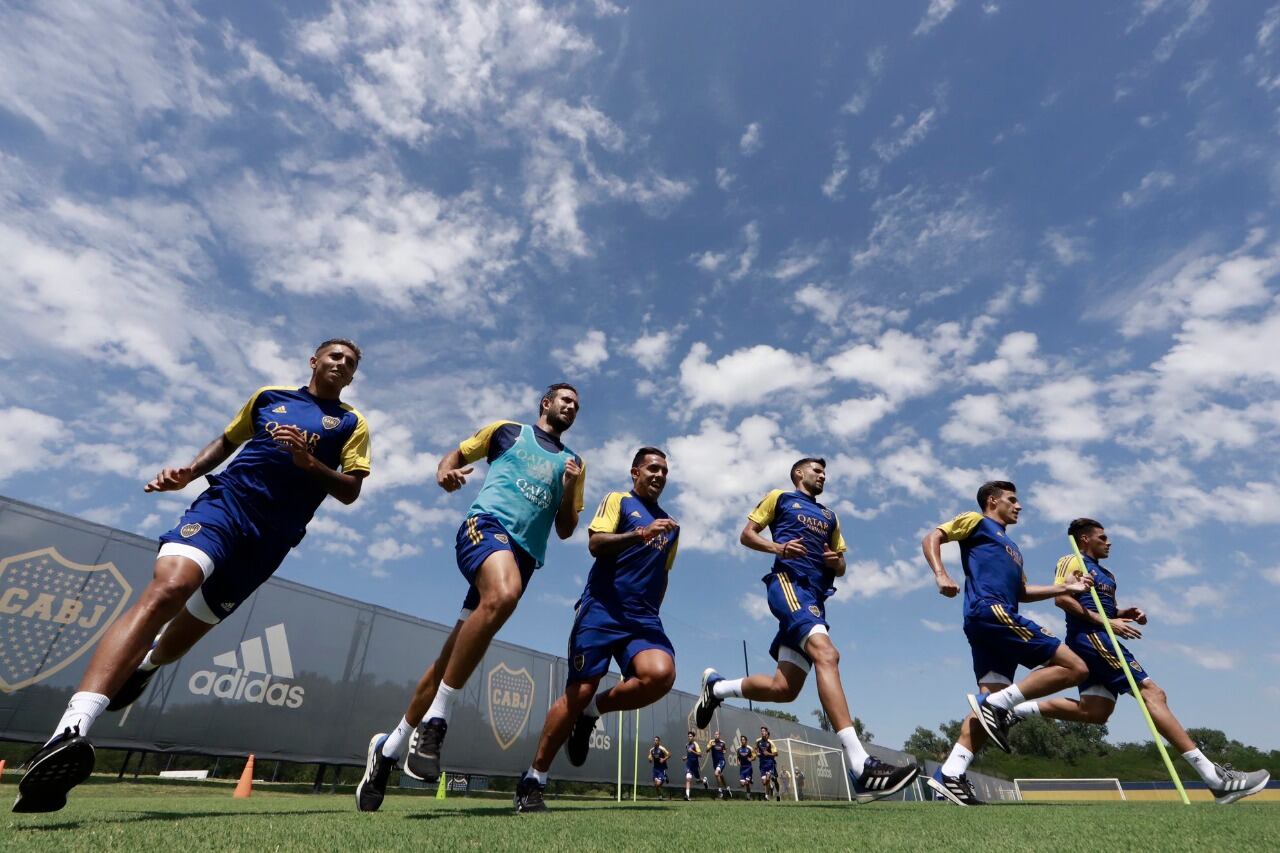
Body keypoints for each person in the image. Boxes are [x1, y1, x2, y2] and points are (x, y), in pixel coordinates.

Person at [13, 340, 370, 814]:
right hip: (225, 506)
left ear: (351, 377)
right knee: (171, 587)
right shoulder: (268, 398)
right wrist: (190, 472)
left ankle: (146, 666)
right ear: (314, 361)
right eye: (334, 356)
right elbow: (227, 441)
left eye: (350, 362)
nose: (341, 363)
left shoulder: (352, 424)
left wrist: (311, 464)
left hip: (269, 539)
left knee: (183, 635)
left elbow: (349, 491)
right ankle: (68, 732)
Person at [357, 384, 585, 812]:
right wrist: (445, 472)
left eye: (577, 404)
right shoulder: (506, 431)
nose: (571, 407)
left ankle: (388, 750)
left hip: (523, 555)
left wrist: (571, 488)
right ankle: (437, 719)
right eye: (565, 400)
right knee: (505, 594)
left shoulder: (574, 463)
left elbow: (568, 528)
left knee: (451, 657)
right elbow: (454, 457)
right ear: (546, 403)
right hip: (485, 528)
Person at [693, 457, 918, 803]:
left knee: (784, 689)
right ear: (799, 474)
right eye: (816, 469)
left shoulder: (830, 516)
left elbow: (841, 564)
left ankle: (717, 688)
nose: (822, 474)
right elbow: (746, 535)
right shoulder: (780, 498)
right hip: (788, 584)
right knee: (828, 653)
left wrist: (835, 562)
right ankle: (860, 766)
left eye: (824, 471)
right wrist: (778, 547)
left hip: (815, 597)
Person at [1008, 518, 1271, 805]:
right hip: (1094, 638)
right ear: (1085, 539)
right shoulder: (1071, 559)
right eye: (1102, 537)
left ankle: (1019, 709)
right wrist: (1110, 622)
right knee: (1153, 693)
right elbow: (1063, 600)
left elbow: (1101, 605)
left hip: (1101, 636)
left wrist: (1125, 612)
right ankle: (1215, 778)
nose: (1108, 542)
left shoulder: (1106, 573)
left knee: (1095, 712)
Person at [512, 448, 680, 813]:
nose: (659, 475)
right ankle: (533, 780)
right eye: (652, 468)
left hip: (643, 617)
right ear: (635, 471)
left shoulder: (671, 526)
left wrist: (653, 612)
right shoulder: (618, 501)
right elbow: (595, 544)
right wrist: (640, 532)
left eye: (664, 470)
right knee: (580, 688)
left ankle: (593, 712)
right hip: (602, 609)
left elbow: (662, 573)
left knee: (661, 674)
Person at [921, 481, 1095, 807]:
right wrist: (940, 573)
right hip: (990, 611)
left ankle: (951, 773)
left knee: (990, 702)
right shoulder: (975, 521)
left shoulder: (1014, 549)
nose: (1019, 506)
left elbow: (1023, 594)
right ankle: (997, 705)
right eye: (1012, 500)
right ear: (992, 501)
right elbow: (933, 537)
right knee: (1075, 667)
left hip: (997, 618)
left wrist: (1066, 589)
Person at [757, 726, 780, 801]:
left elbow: (776, 754)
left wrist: (768, 754)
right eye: (761, 731)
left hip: (770, 763)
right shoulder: (758, 741)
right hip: (762, 764)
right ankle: (771, 787)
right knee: (764, 782)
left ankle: (776, 794)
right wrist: (757, 753)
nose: (762, 732)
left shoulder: (770, 743)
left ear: (767, 733)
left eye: (764, 731)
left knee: (774, 779)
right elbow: (755, 750)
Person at [707, 730, 730, 799]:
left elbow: (725, 749)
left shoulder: (723, 743)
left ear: (719, 736)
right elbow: (706, 750)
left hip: (721, 761)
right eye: (715, 734)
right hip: (715, 762)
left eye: (717, 734)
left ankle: (720, 791)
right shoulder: (711, 742)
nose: (716, 735)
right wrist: (711, 746)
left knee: (716, 773)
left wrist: (725, 751)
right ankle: (727, 788)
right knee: (720, 775)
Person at [683, 730, 703, 801]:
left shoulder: (695, 744)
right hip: (689, 765)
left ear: (693, 737)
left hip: (695, 765)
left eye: (691, 736)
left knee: (698, 781)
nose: (689, 737)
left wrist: (693, 751)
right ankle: (687, 796)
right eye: (688, 736)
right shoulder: (687, 745)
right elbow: (689, 755)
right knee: (688, 778)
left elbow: (700, 754)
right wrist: (686, 757)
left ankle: (704, 781)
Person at [736, 734, 756, 799]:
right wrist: (738, 761)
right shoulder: (738, 749)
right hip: (742, 768)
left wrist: (751, 759)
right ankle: (750, 780)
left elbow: (754, 757)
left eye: (744, 740)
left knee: (747, 783)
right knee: (742, 784)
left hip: (748, 767)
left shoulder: (750, 748)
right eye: (741, 740)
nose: (742, 741)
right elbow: (738, 757)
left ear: (746, 741)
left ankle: (748, 796)